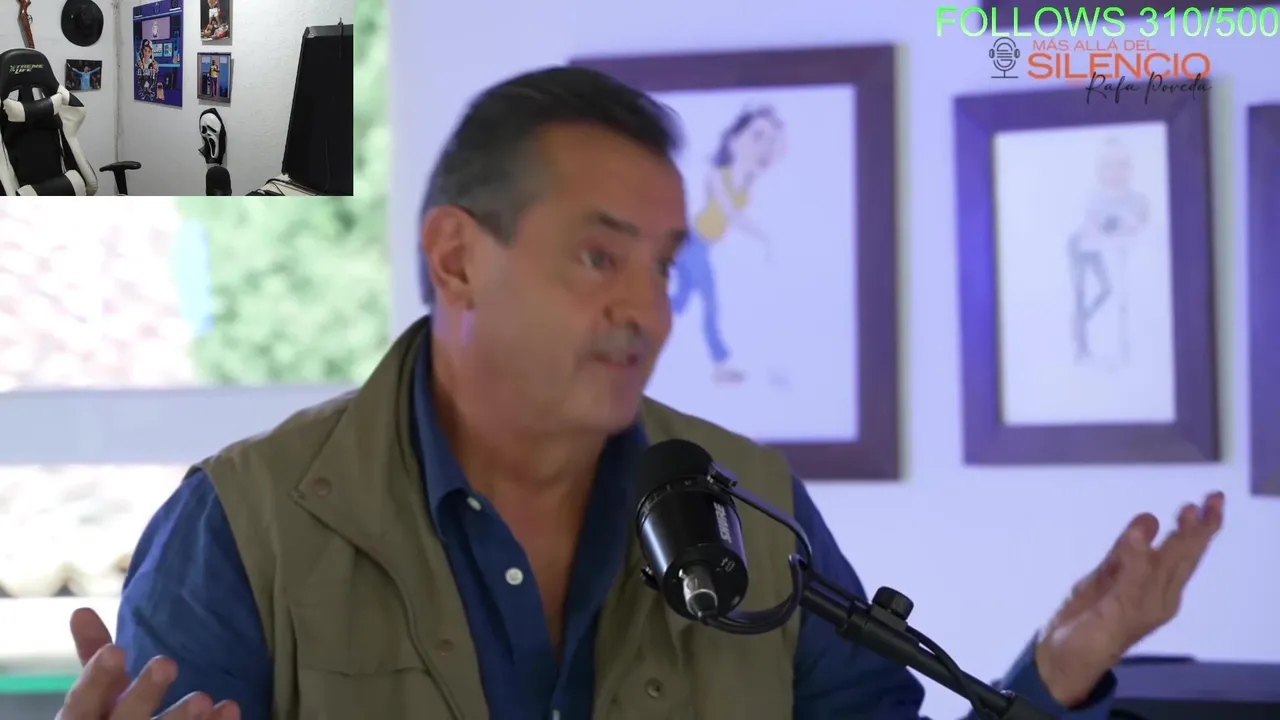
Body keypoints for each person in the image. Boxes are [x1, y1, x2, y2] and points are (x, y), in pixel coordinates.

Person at [56, 66, 1224, 720]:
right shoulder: (246, 525)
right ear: (456, 258)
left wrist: (1054, 673)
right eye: (597, 256)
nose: (648, 310)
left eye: (663, 266)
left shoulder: (751, 500)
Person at [673, 105, 784, 383]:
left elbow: (773, 156)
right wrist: (764, 236)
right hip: (693, 244)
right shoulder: (717, 174)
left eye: (771, 139)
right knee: (710, 304)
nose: (765, 145)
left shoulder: (747, 179)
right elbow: (730, 213)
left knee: (679, 303)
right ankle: (721, 365)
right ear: (734, 140)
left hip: (702, 246)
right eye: (757, 136)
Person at [1067, 139, 1148, 363]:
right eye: (1108, 166)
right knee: (1086, 293)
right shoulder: (1094, 199)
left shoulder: (1138, 200)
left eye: (1122, 165)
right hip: (1082, 250)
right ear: (1099, 170)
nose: (1115, 173)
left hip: (1115, 255)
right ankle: (1081, 345)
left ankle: (1087, 330)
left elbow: (1137, 229)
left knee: (1108, 291)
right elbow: (1092, 230)